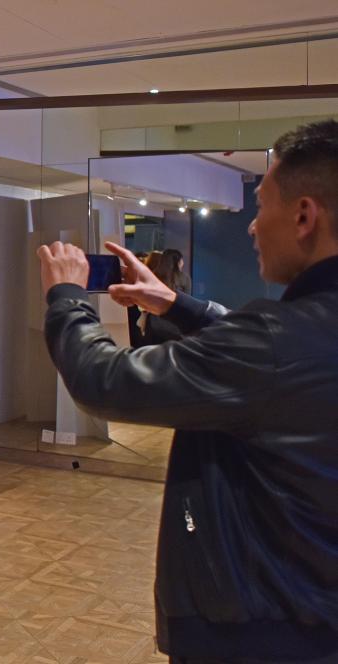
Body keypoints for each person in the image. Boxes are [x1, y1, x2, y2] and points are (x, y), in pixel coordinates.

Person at [36, 119, 338, 663]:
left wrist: (66, 298)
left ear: (304, 216)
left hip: (257, 628)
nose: (252, 227)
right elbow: (274, 362)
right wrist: (176, 305)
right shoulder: (294, 337)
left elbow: (104, 380)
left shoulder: (273, 342)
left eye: (261, 206)